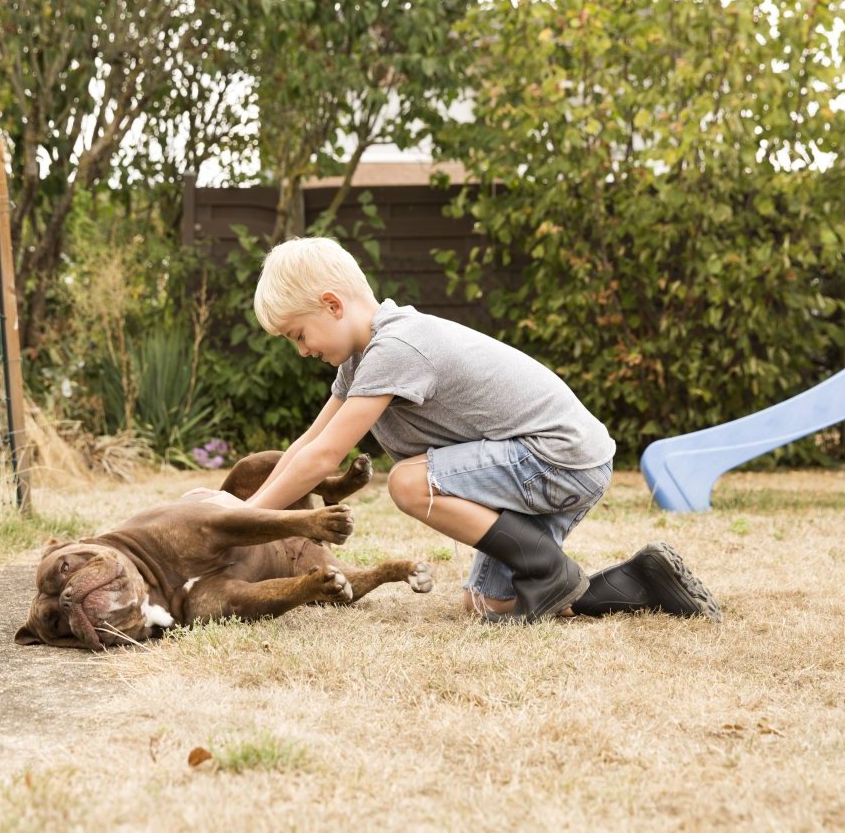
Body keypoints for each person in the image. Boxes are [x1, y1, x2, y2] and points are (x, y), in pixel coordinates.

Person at [245, 236, 721, 623]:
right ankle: (640, 580)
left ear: (331, 304)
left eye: (298, 335)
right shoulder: (359, 362)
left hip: (556, 457)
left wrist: (242, 525)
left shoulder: (396, 346)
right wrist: (238, 511)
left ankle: (546, 565)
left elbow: (325, 457)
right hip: (549, 462)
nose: (301, 350)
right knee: (486, 605)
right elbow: (305, 445)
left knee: (410, 482)